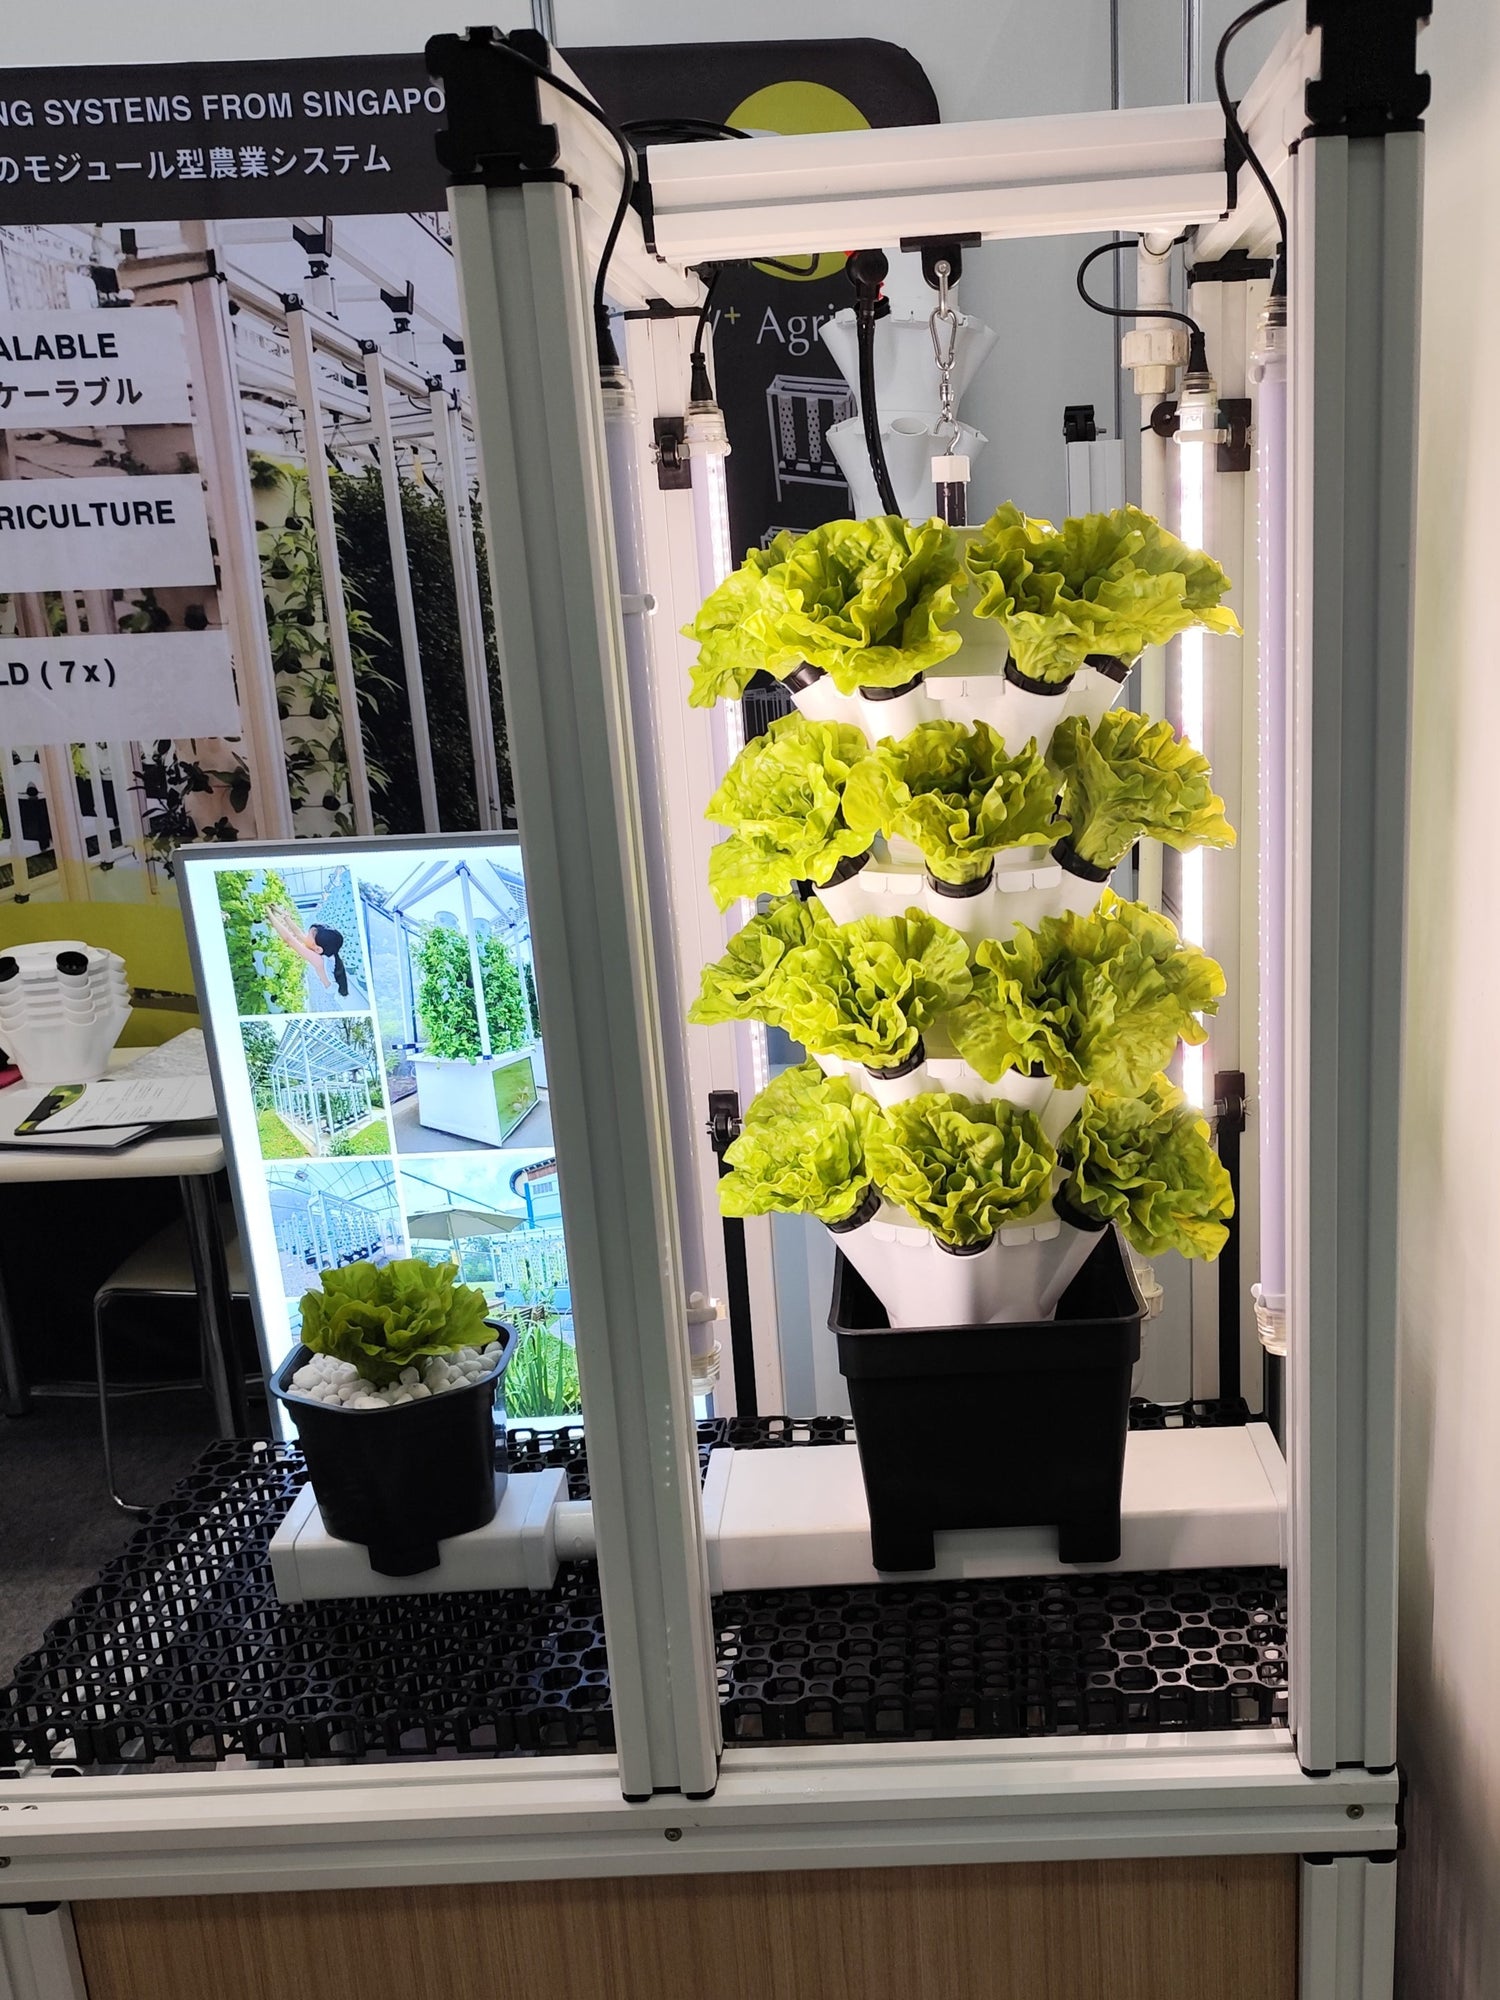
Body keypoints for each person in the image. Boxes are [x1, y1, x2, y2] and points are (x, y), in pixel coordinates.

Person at [266, 904, 350, 998]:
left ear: (318, 949)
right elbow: (298, 933)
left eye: (309, 935)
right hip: (325, 988)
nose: (306, 935)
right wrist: (285, 916)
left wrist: (269, 914)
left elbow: (289, 939)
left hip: (325, 997)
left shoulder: (319, 960)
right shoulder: (324, 951)